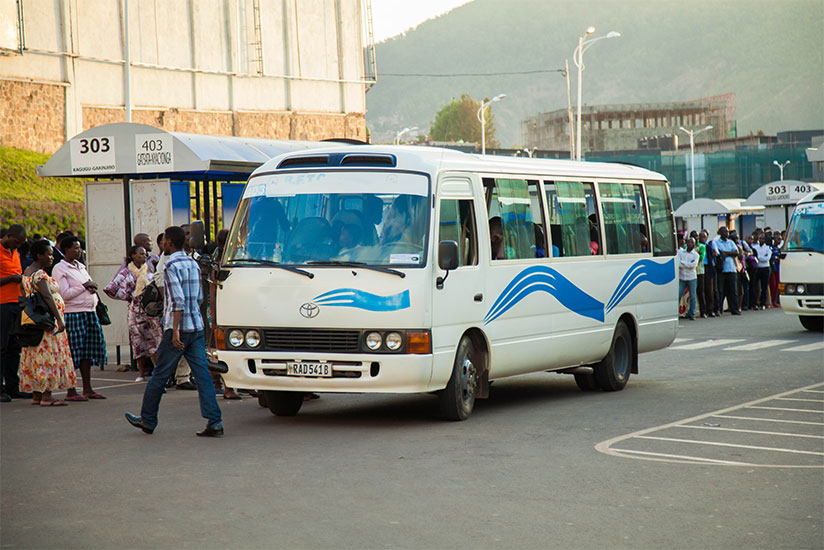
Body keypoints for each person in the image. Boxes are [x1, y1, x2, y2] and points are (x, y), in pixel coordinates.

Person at [125, 225, 223, 437]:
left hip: (177, 328)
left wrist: (176, 330)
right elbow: (198, 298)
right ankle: (214, 420)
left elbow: (177, 300)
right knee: (202, 374)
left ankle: (148, 419)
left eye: (165, 240)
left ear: (169, 242)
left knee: (160, 374)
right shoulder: (193, 263)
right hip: (195, 326)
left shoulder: (170, 265)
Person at [18, 240, 77, 406]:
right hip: (46, 321)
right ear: (39, 255)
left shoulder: (27, 272)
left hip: (34, 320)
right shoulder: (40, 275)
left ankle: (37, 395)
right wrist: (58, 318)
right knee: (46, 356)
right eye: (49, 254)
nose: (52, 257)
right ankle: (46, 396)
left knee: (35, 355)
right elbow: (47, 296)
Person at [52, 236, 107, 400]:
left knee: (87, 352)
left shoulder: (81, 267)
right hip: (73, 313)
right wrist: (84, 286)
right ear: (66, 250)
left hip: (88, 312)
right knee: (73, 352)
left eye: (79, 248)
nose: (79, 251)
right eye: (75, 248)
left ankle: (88, 388)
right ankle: (71, 390)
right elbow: (64, 294)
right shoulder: (60, 269)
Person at [104, 245, 163, 382]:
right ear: (133, 256)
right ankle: (141, 373)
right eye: (141, 254)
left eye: (145, 254)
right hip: (135, 313)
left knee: (156, 342)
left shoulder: (149, 269)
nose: (144, 256)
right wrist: (128, 296)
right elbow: (110, 288)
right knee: (138, 343)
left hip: (150, 312)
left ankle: (158, 372)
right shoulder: (126, 272)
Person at [0, 224, 32, 402]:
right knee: (2, 348)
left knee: (14, 348)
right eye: (17, 242)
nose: (18, 246)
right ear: (9, 236)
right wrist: (11, 279)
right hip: (2, 304)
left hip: (16, 304)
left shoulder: (15, 253)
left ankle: (13, 387)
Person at [715, 227, 741, 315]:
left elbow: (736, 253)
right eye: (724, 231)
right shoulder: (716, 242)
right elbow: (718, 253)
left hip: (731, 269)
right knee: (720, 290)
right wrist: (729, 253)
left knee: (733, 290)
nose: (726, 233)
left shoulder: (731, 242)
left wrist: (725, 253)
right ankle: (719, 309)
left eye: (727, 231)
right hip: (722, 270)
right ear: (720, 232)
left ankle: (734, 309)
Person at [677, 237, 699, 320]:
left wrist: (684, 264)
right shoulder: (681, 252)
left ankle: (691, 313)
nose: (690, 244)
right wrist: (687, 264)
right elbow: (678, 264)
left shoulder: (696, 255)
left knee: (692, 297)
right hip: (682, 277)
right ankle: (677, 313)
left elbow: (693, 266)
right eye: (688, 242)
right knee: (678, 296)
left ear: (694, 244)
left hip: (692, 278)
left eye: (692, 243)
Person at [751, 232, 771, 310]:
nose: (761, 240)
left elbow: (767, 258)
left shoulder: (767, 248)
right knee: (755, 286)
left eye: (763, 239)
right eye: (760, 238)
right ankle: (755, 303)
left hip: (765, 268)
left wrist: (758, 258)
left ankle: (763, 303)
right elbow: (753, 257)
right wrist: (760, 258)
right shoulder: (755, 247)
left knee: (764, 287)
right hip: (757, 268)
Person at [700, 230, 717, 317]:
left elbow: (714, 254)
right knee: (701, 290)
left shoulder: (708, 246)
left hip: (708, 267)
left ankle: (710, 309)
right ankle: (703, 310)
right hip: (700, 268)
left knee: (709, 289)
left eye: (704, 237)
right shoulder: (698, 246)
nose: (702, 238)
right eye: (701, 236)